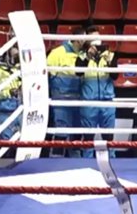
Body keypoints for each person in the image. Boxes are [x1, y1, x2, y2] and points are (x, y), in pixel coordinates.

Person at [77, 26, 118, 158]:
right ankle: (86, 164)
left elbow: (115, 77)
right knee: (88, 137)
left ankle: (113, 163)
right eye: (93, 39)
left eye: (98, 38)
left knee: (109, 137)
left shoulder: (110, 55)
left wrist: (109, 62)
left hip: (107, 102)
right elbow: (78, 72)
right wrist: (88, 57)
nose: (97, 41)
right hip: (89, 102)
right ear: (88, 42)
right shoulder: (82, 56)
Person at [46, 26, 87, 157]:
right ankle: (55, 160)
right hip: (61, 98)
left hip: (79, 98)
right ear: (78, 39)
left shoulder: (84, 55)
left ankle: (76, 161)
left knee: (76, 131)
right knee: (61, 130)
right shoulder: (57, 52)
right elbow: (48, 73)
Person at [0, 47, 21, 141]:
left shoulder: (19, 69)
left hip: (20, 111)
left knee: (20, 143)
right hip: (3, 111)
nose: (17, 58)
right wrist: (9, 93)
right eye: (15, 56)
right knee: (5, 142)